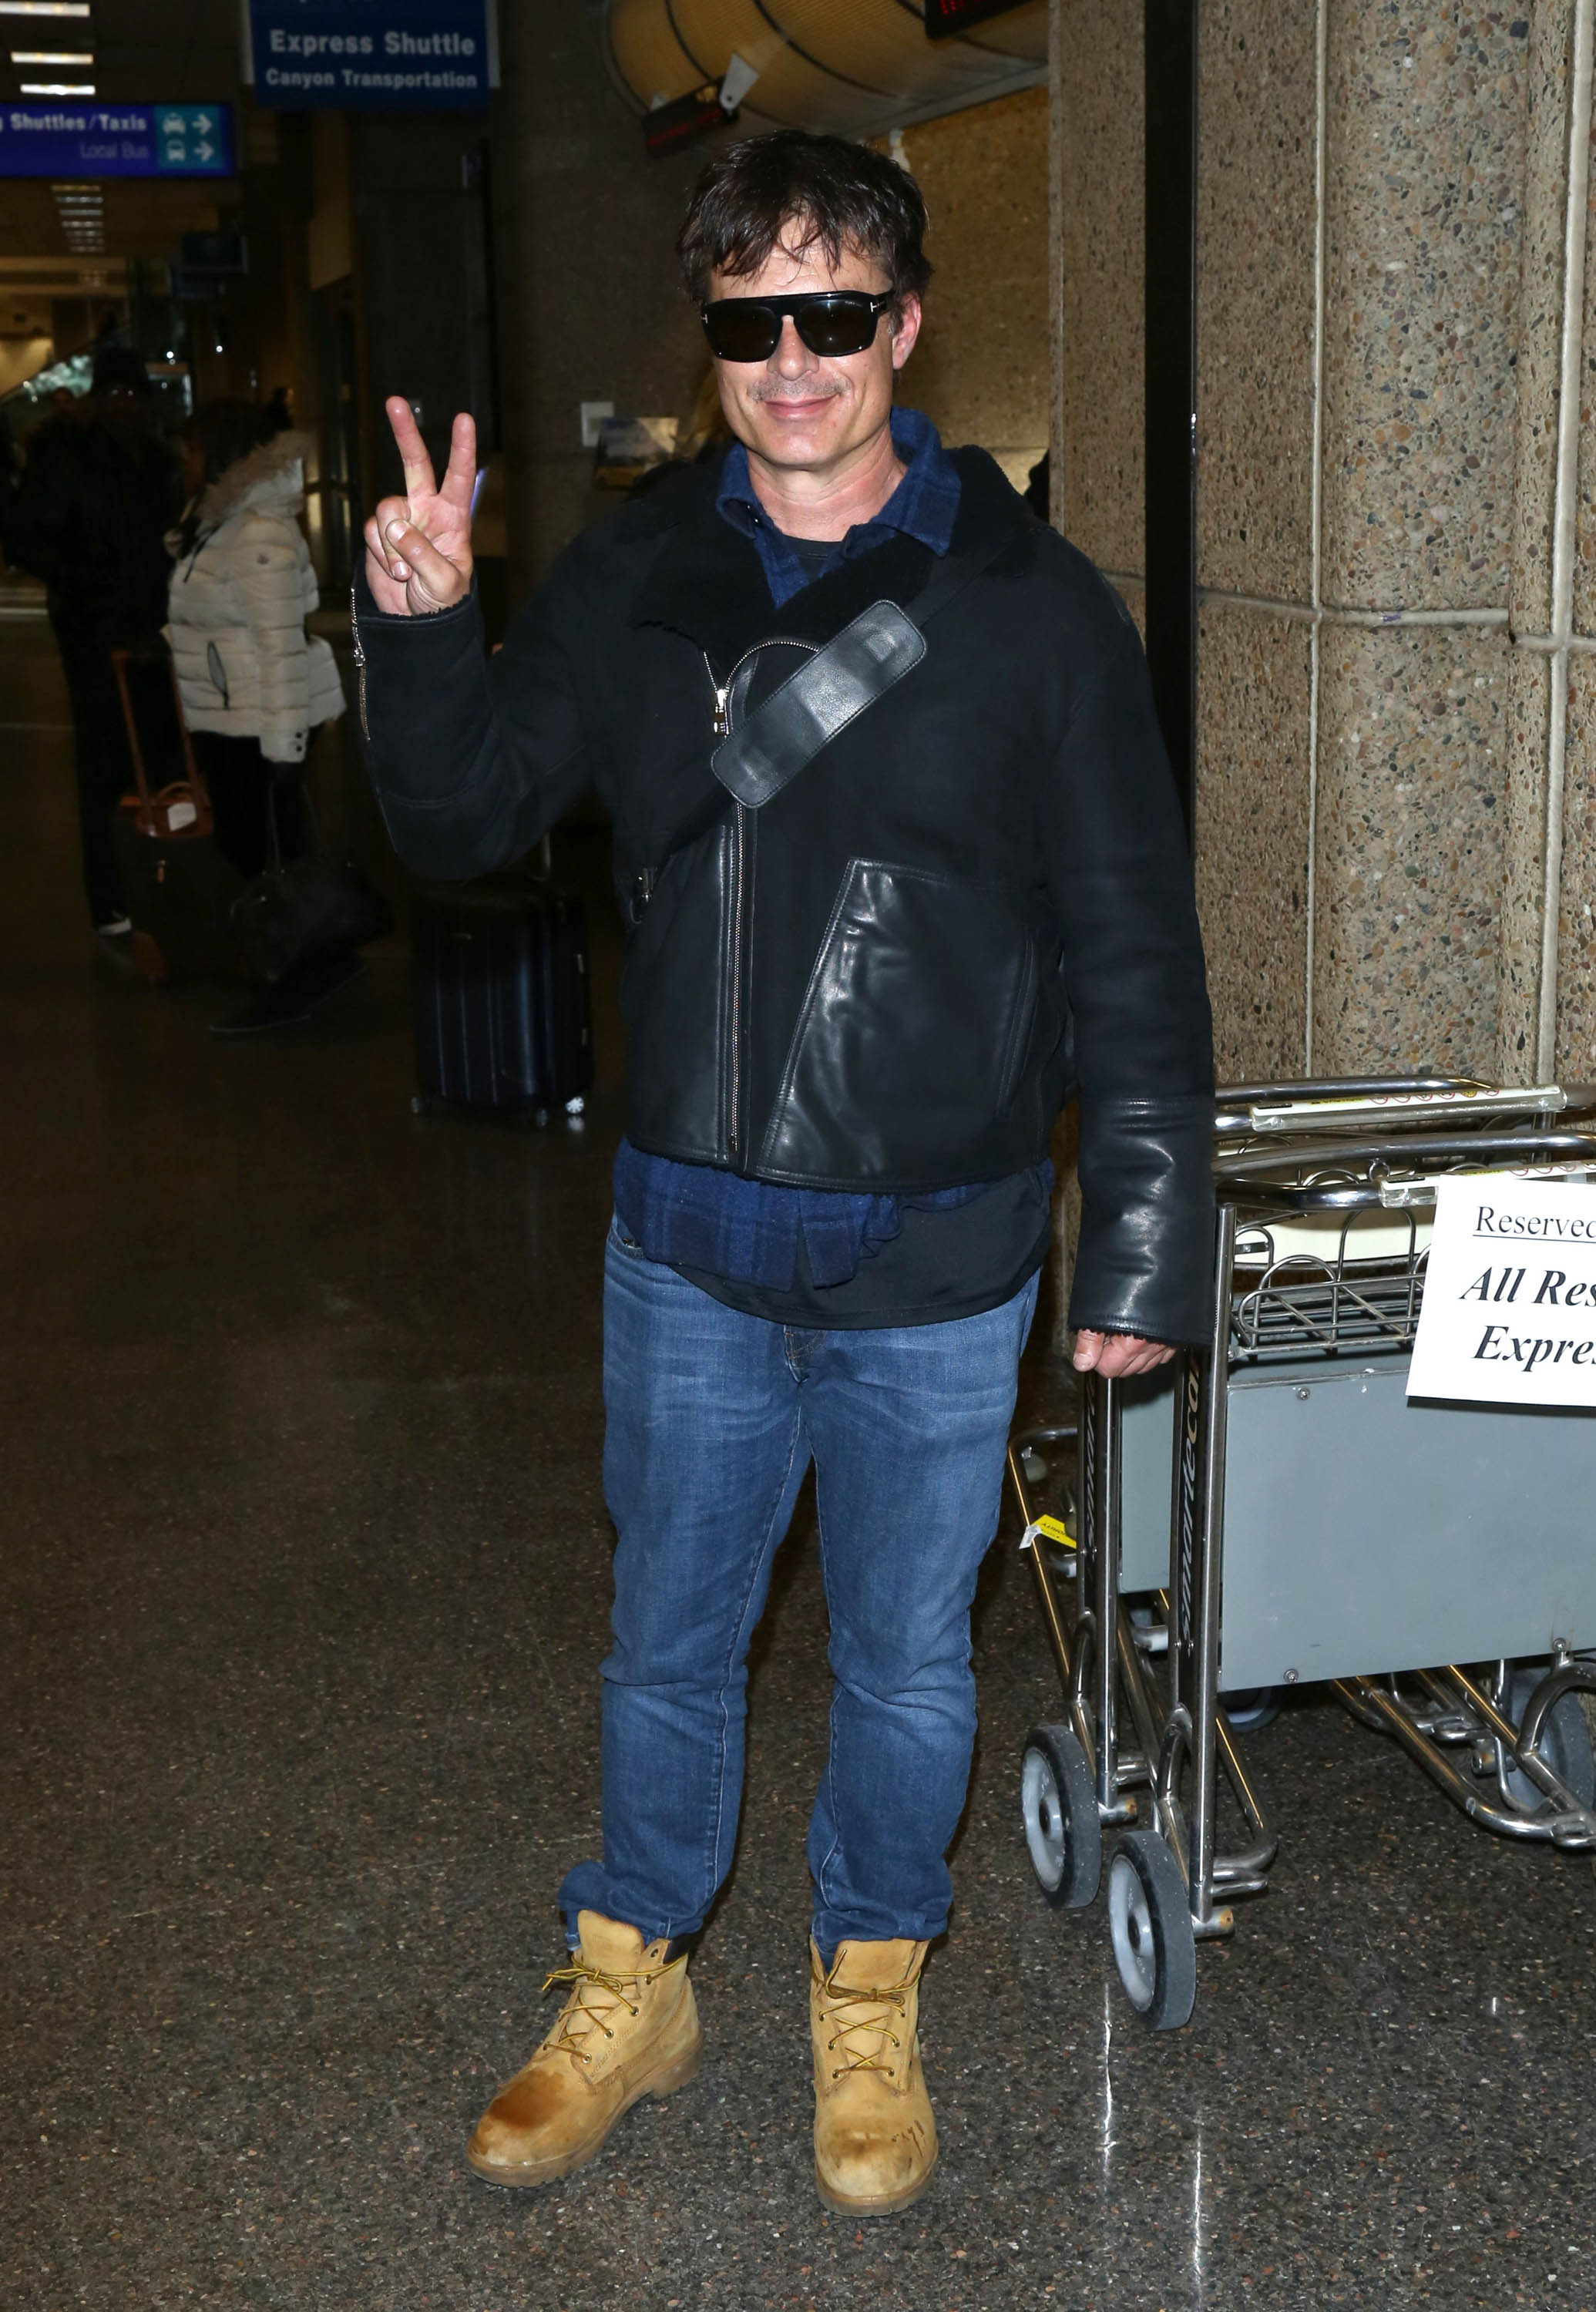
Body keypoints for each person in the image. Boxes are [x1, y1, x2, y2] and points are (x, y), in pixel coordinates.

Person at [354, 131, 1214, 2216]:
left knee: (908, 1657)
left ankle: (863, 1992)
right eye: (751, 323)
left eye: (835, 314)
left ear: (903, 328)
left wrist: (1152, 1231)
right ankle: (628, 1981)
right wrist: (422, 624)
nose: (793, 360)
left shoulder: (1028, 607)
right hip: (688, 1247)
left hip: (938, 1254)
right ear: (715, 341)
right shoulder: (641, 573)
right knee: (665, 1633)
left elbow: (1126, 939)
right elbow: (461, 819)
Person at [166, 400, 355, 1033]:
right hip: (232, 714)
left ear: (220, 455)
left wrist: (283, 751)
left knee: (276, 859)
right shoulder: (220, 525)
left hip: (257, 722)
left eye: (194, 451)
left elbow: (279, 647)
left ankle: (300, 976)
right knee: (265, 856)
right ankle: (308, 967)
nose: (186, 463)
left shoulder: (257, 535)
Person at [4, 346, 182, 953]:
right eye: (115, 394)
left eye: (133, 395)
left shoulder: (159, 461)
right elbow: (27, 536)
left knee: (164, 763)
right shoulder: (67, 459)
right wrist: (83, 585)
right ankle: (111, 899)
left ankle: (167, 882)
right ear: (98, 398)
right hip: (95, 637)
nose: (124, 404)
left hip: (156, 636)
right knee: (104, 765)